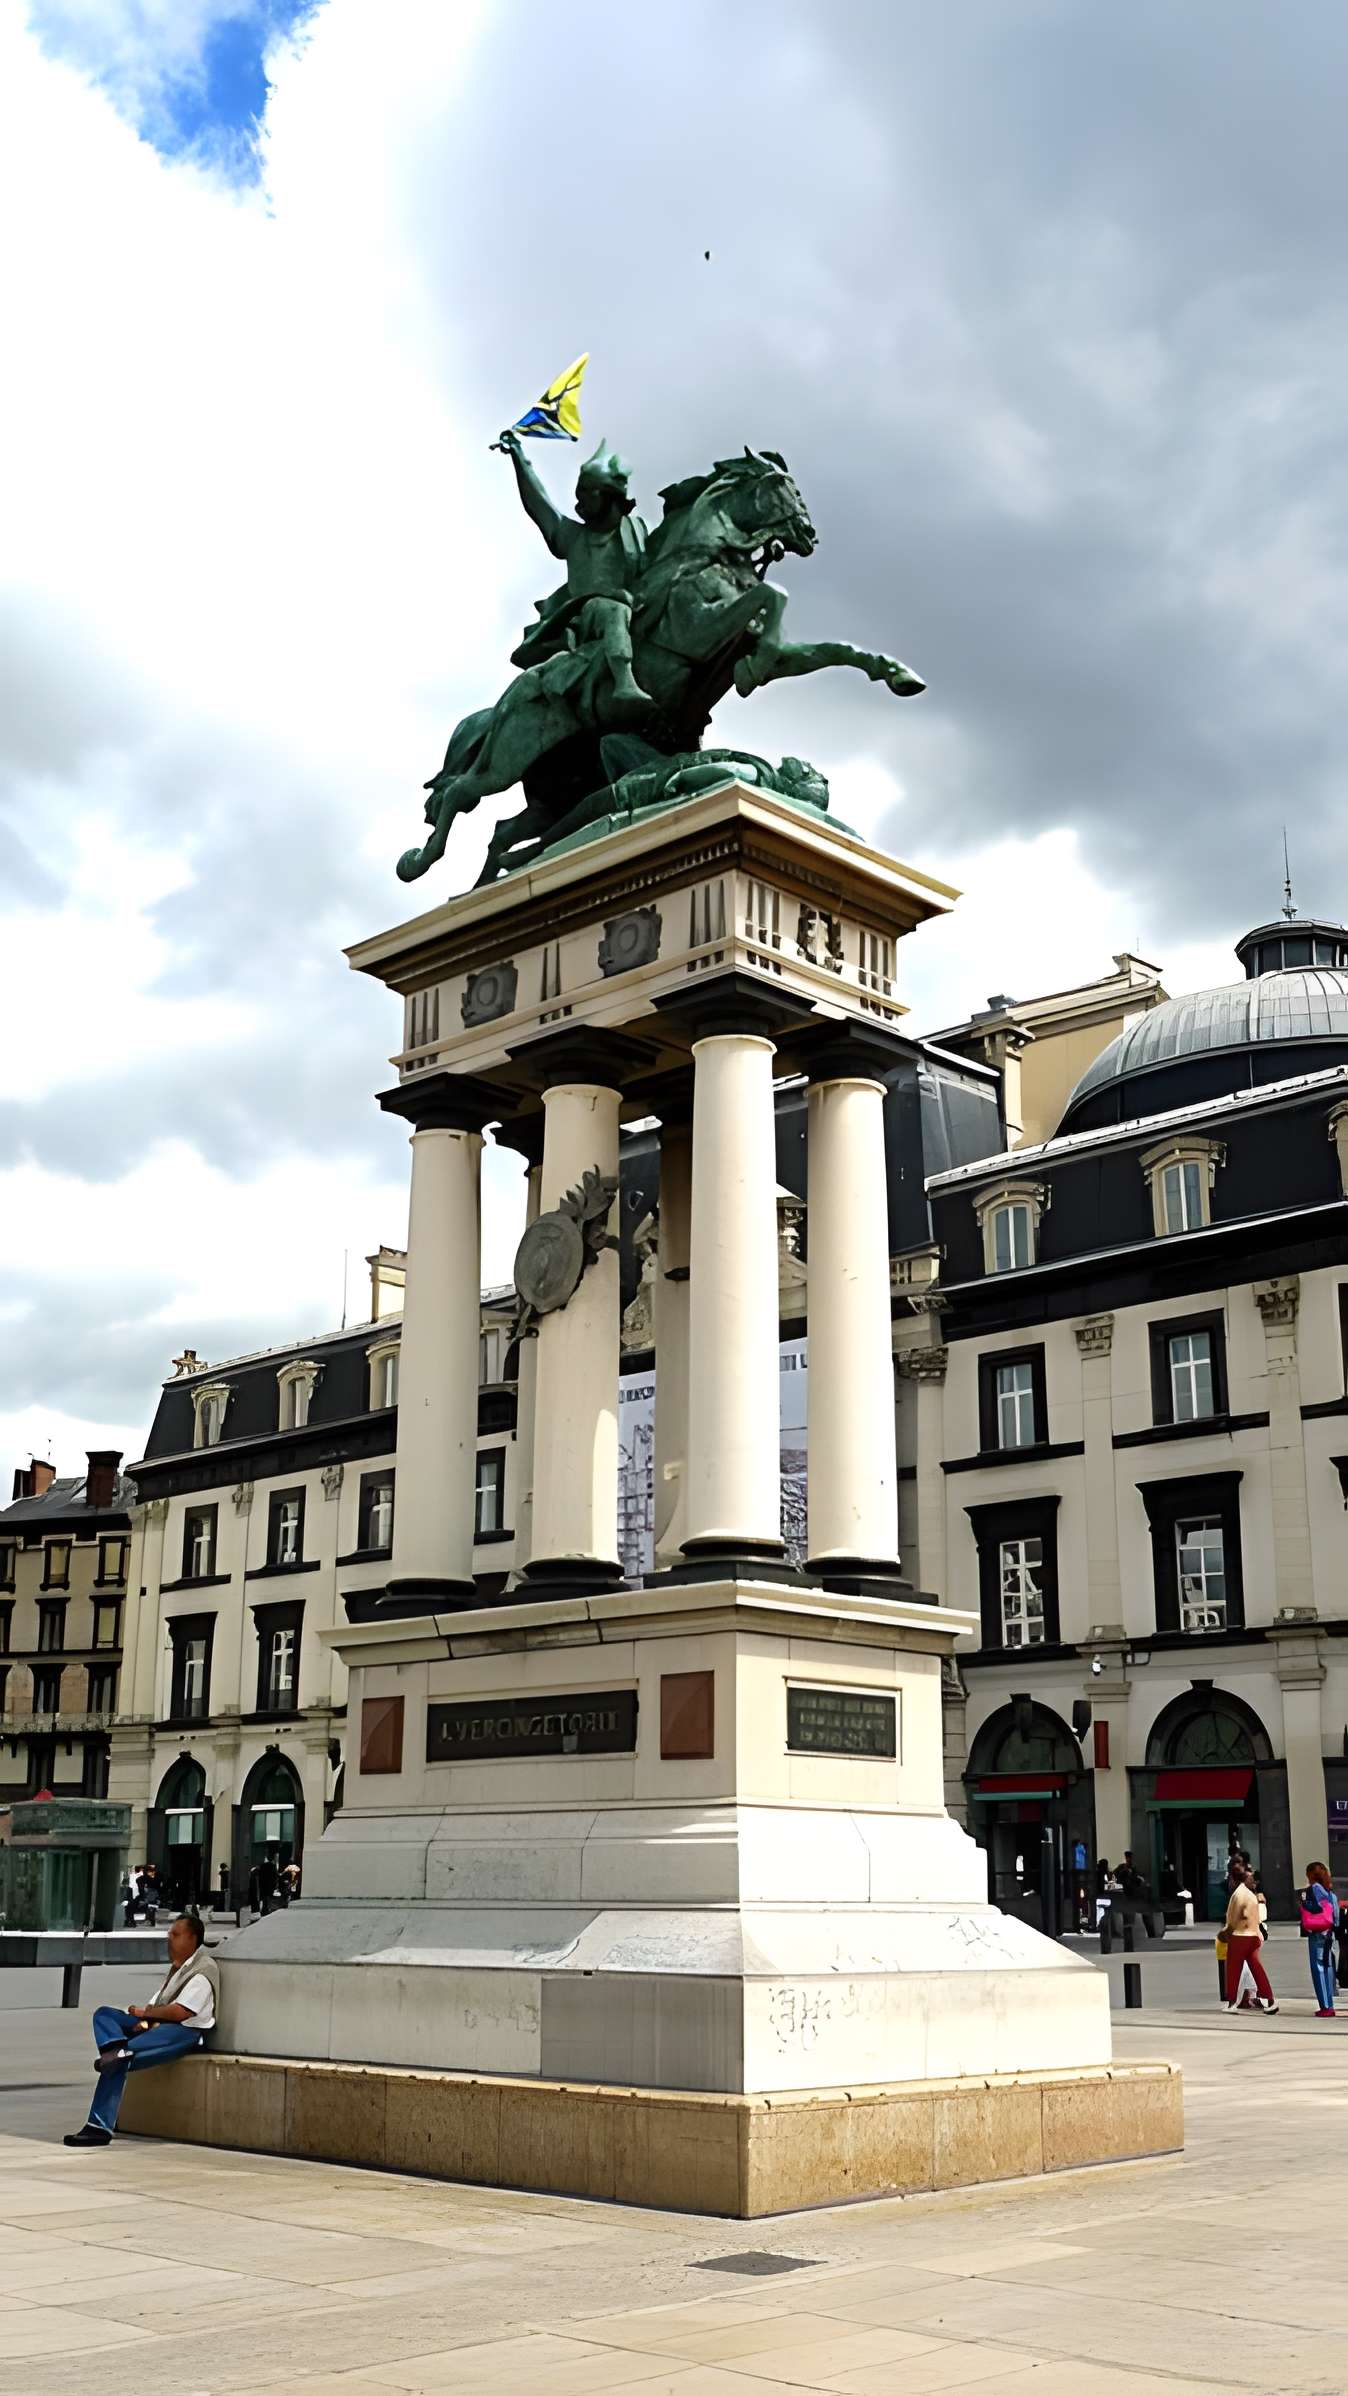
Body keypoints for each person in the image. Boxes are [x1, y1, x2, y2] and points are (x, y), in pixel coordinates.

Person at [499, 428, 652, 720]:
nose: (578, 500)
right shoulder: (572, 536)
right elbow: (539, 503)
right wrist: (519, 457)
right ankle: (625, 684)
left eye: (586, 492)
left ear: (608, 496)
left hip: (636, 612)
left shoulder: (638, 531)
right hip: (584, 616)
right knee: (613, 609)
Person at [63, 1914, 217, 2148]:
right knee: (104, 2015)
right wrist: (143, 2020)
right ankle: (115, 2047)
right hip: (155, 2025)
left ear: (192, 1938)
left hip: (183, 2032)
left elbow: (181, 2012)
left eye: (176, 1935)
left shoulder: (203, 1970)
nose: (169, 1939)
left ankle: (98, 2126)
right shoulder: (178, 1969)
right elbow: (157, 2005)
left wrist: (146, 2014)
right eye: (170, 1934)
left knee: (117, 2062)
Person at [1223, 1866, 1278, 2014]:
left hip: (1240, 1936)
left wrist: (1226, 1933)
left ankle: (1232, 2003)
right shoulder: (1251, 1896)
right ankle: (1270, 2000)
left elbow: (1233, 1918)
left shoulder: (1239, 1895)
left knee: (1233, 1970)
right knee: (1257, 1969)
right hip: (1253, 1936)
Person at [1300, 1862, 1339, 2017]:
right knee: (1328, 1966)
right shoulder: (1329, 1891)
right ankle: (1330, 2004)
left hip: (1316, 1933)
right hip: (1329, 1933)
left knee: (1318, 1968)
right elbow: (1335, 1916)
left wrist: (1304, 1902)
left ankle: (1325, 2006)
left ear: (1310, 1875)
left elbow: (1311, 1908)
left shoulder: (1312, 1889)